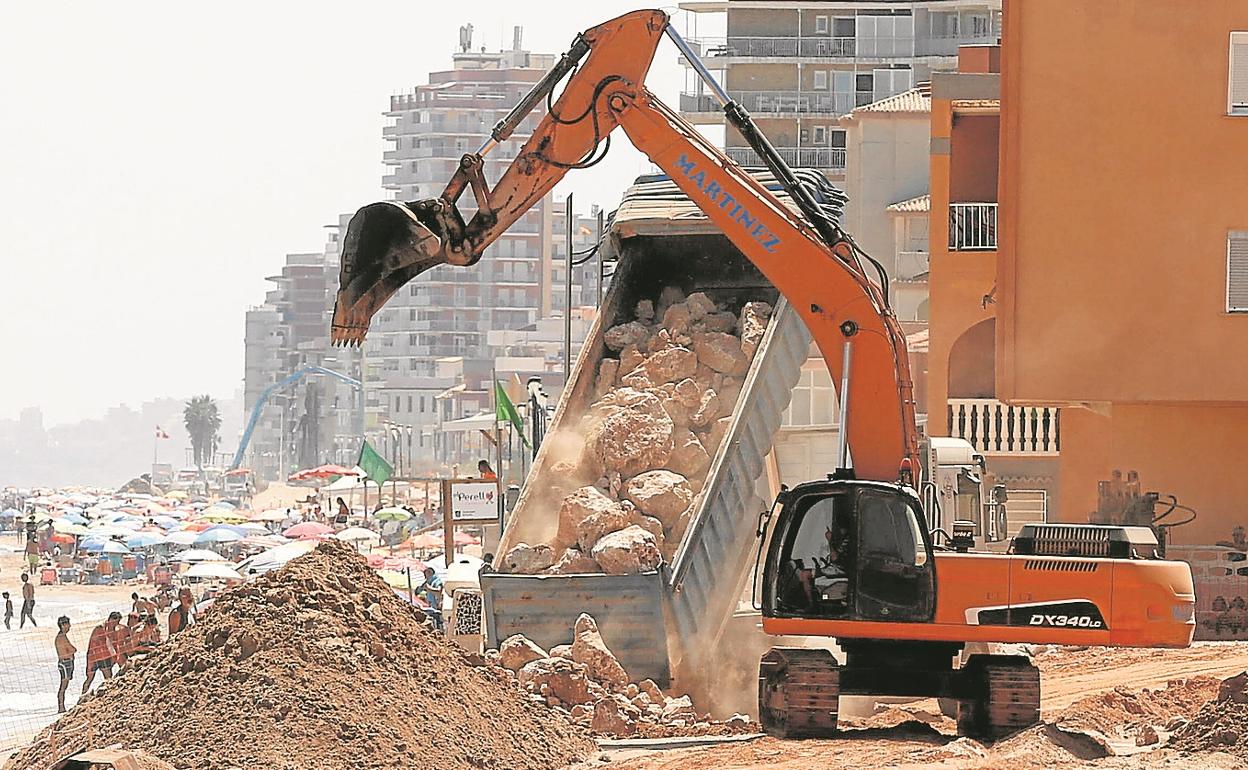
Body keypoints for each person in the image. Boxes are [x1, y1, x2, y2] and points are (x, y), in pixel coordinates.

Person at [82, 613, 121, 694]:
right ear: (110, 619)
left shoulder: (113, 630)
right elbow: (94, 643)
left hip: (105, 657)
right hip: (94, 656)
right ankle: (82, 695)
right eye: (114, 622)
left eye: (117, 622)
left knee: (109, 678)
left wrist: (116, 656)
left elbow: (115, 644)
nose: (115, 624)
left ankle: (109, 694)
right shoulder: (100, 627)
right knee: (89, 678)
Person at [55, 616, 76, 712]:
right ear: (63, 625)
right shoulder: (61, 637)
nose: (70, 626)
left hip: (67, 662)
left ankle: (61, 706)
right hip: (65, 663)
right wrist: (72, 650)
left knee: (64, 685)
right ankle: (61, 707)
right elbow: (72, 649)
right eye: (68, 624)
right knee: (63, 685)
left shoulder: (62, 636)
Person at [419, 566, 444, 630]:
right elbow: (419, 591)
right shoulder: (428, 582)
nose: (425, 576)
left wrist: (428, 588)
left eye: (426, 574)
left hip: (438, 606)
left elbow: (438, 591)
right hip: (432, 607)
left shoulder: (437, 581)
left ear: (430, 573)